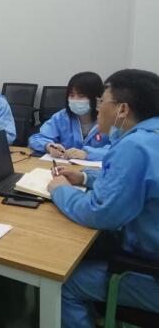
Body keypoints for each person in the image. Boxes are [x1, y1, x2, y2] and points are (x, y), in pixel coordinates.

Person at [46, 69, 159, 328]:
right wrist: (84, 177)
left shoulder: (136, 147)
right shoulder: (150, 136)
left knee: (63, 283)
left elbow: (99, 213)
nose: (97, 108)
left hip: (149, 271)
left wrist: (60, 190)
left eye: (102, 101)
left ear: (122, 109)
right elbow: (129, 182)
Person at [29, 72, 110, 161]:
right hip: (65, 166)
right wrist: (49, 146)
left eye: (81, 96)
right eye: (71, 95)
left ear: (97, 98)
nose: (75, 100)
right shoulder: (62, 117)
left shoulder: (111, 119)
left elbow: (118, 150)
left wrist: (88, 154)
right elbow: (36, 138)